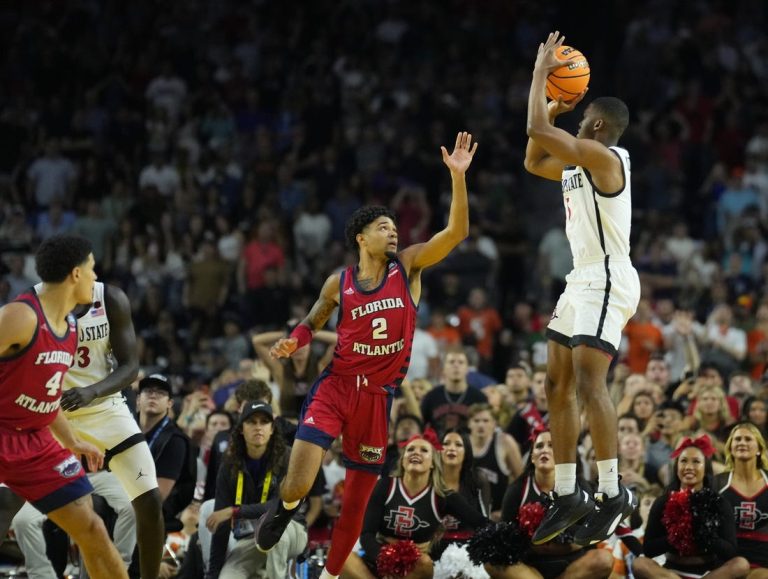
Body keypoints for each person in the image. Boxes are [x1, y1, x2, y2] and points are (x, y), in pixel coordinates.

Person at [255, 131, 479, 579]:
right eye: (383, 226)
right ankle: (285, 507)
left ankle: (331, 576)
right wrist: (293, 342)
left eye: (395, 226)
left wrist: (457, 178)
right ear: (361, 238)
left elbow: (456, 232)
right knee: (298, 481)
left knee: (356, 506)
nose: (393, 230)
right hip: (336, 386)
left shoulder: (408, 265)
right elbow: (314, 320)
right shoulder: (339, 282)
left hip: (378, 398)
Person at [523, 31, 641, 545]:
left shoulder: (606, 159)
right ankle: (568, 492)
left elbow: (533, 128)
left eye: (580, 113)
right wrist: (554, 99)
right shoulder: (577, 161)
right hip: (581, 279)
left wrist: (539, 76)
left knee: (591, 381)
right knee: (555, 382)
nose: (575, 118)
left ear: (596, 125)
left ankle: (614, 492)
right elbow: (533, 158)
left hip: (609, 276)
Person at [0, 234, 127, 579]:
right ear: (75, 274)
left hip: (37, 441)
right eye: (92, 270)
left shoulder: (70, 327)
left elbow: (46, 397)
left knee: (92, 528)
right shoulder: (20, 316)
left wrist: (72, 441)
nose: (95, 278)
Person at [56, 281, 165, 579]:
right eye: (87, 268)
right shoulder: (35, 306)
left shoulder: (110, 298)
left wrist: (91, 391)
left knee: (149, 500)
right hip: (54, 414)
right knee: (10, 504)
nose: (94, 274)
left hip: (105, 408)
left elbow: (130, 367)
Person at [342, 429, 487, 578]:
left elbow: (481, 522)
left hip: (414, 568)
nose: (415, 453)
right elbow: (367, 534)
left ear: (433, 463)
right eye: (410, 449)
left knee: (424, 562)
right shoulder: (384, 485)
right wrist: (386, 558)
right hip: (379, 560)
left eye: (424, 450)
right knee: (342, 556)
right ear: (403, 460)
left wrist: (504, 537)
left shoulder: (442, 496)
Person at [485, 429, 614, 579]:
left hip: (572, 565)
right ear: (532, 457)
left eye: (552, 446)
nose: (544, 450)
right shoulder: (517, 489)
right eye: (539, 446)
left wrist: (559, 536)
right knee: (491, 560)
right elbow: (504, 539)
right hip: (528, 567)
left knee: (603, 559)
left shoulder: (579, 486)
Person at [205, 402, 311, 578]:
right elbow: (221, 524)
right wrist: (213, 574)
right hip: (250, 537)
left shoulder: (288, 457)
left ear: (272, 429)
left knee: (274, 532)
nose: (258, 427)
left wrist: (235, 511)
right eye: (251, 422)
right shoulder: (229, 464)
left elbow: (280, 506)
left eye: (264, 422)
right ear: (241, 429)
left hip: (290, 529)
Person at [639, 435, 750, 578]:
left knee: (741, 564)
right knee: (639, 563)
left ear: (706, 468)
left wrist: (706, 537)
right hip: (671, 573)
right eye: (683, 461)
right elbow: (648, 549)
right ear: (677, 466)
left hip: (709, 573)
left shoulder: (719, 502)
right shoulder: (663, 501)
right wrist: (675, 538)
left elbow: (731, 551)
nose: (689, 467)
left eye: (696, 461)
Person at [715, 422, 768, 573]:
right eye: (737, 439)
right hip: (727, 559)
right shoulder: (717, 483)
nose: (742, 443)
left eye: (748, 439)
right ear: (730, 448)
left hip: (764, 558)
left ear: (759, 449)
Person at [435, 429, 491, 558]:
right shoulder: (429, 480)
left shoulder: (478, 479)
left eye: (458, 445)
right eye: (446, 443)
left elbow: (484, 522)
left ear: (467, 452)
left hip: (469, 548)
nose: (451, 448)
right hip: (435, 547)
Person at [468, 403, 523, 519]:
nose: (481, 425)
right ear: (469, 423)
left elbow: (521, 480)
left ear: (494, 423)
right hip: (469, 515)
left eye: (485, 420)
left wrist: (507, 510)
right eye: (476, 421)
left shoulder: (505, 442)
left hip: (497, 515)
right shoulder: (461, 444)